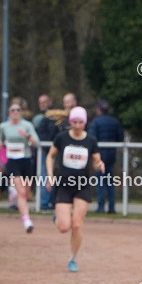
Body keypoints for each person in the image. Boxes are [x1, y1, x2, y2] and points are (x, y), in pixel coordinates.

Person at [46, 106, 103, 272]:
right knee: (64, 227)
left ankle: (73, 259)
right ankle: (58, 216)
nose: (78, 125)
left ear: (85, 123)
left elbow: (96, 162)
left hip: (82, 186)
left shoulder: (91, 141)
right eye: (74, 122)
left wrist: (99, 165)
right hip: (64, 185)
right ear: (70, 122)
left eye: (81, 122)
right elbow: (50, 156)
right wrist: (50, 176)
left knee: (77, 225)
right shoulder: (61, 138)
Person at [0, 103, 40, 231]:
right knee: (21, 191)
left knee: (25, 193)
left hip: (26, 161)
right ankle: (27, 221)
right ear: (9, 113)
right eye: (13, 110)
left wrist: (26, 136)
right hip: (12, 161)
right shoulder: (4, 126)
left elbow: (36, 142)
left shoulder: (27, 125)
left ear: (21, 112)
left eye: (18, 110)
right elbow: (0, 140)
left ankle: (24, 214)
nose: (15, 112)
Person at [89, 99, 124, 213]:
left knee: (100, 182)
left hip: (99, 155)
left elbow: (91, 138)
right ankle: (112, 207)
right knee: (110, 182)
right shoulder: (115, 122)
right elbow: (120, 137)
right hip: (111, 155)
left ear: (99, 110)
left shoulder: (96, 122)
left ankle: (101, 207)